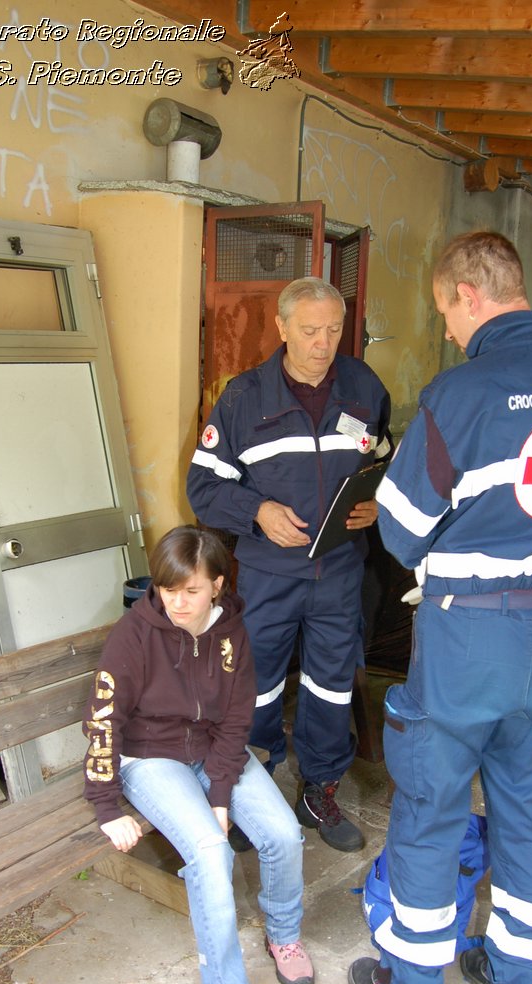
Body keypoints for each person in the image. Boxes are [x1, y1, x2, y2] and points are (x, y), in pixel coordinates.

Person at [348, 232, 532, 984]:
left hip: (467, 638)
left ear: (470, 294)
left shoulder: (462, 394)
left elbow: (399, 530)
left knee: (432, 807)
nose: (447, 330)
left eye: (445, 311)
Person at [82, 525, 313, 984]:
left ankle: (283, 936)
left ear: (217, 585)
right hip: (150, 757)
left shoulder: (232, 631)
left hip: (212, 750)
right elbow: (103, 718)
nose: (176, 602)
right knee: (212, 855)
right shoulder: (134, 635)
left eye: (191, 590)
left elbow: (237, 717)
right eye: (166, 589)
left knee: (283, 833)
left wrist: (221, 789)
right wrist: (107, 805)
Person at [186, 277, 392, 853]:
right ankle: (254, 794)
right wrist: (257, 510)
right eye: (309, 331)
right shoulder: (243, 400)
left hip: (341, 571)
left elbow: (384, 458)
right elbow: (202, 487)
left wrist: (377, 502)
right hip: (269, 575)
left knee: (330, 686)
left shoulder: (364, 387)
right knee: (255, 689)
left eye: (332, 330)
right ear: (281, 328)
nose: (323, 344)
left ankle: (319, 790)